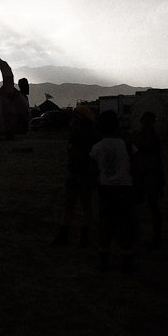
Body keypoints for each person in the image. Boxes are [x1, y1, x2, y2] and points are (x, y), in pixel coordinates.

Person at [90, 110, 137, 272]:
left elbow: (93, 169)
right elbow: (137, 165)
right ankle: (127, 259)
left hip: (106, 190)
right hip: (126, 190)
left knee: (105, 227)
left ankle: (104, 259)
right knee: (126, 227)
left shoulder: (97, 147)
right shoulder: (128, 145)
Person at [50, 105, 100, 248]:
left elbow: (93, 157)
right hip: (75, 173)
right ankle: (65, 234)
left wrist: (80, 155)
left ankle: (82, 237)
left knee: (84, 204)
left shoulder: (92, 135)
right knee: (70, 204)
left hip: (85, 175)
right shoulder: (78, 133)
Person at [131, 111, 165, 248]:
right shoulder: (140, 136)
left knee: (151, 206)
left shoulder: (149, 138)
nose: (147, 124)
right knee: (146, 206)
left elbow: (158, 159)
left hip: (147, 174)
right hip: (142, 174)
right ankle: (149, 234)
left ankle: (156, 235)